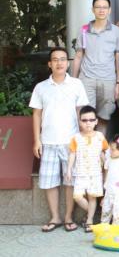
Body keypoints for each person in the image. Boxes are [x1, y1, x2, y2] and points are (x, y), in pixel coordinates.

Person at [30, 47, 89, 233]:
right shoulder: (41, 87)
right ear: (49, 64)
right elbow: (36, 114)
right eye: (55, 60)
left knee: (70, 182)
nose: (59, 63)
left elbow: (81, 113)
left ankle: (68, 217)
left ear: (68, 63)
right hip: (48, 142)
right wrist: (37, 140)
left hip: (71, 142)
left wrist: (83, 138)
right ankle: (55, 217)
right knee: (50, 182)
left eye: (63, 59)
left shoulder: (76, 84)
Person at [72, 0, 119, 136]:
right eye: (98, 7)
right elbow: (78, 56)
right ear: (93, 9)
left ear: (109, 10)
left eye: (104, 7)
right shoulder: (84, 30)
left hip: (108, 79)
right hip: (87, 79)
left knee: (104, 116)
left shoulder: (117, 31)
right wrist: (73, 81)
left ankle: (99, 145)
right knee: (85, 116)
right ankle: (85, 146)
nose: (101, 10)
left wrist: (118, 83)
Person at [67, 106, 108, 232]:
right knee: (77, 196)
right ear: (79, 122)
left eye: (91, 120)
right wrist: (69, 169)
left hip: (95, 173)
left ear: (96, 121)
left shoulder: (100, 136)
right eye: (84, 120)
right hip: (80, 172)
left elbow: (104, 152)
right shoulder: (76, 138)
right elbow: (72, 154)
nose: (88, 123)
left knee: (92, 197)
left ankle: (90, 220)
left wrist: (106, 166)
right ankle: (93, 211)